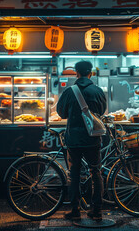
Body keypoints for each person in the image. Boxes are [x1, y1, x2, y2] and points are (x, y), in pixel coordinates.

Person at [57, 61, 107, 221]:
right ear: (90, 73)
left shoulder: (69, 92)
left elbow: (61, 113)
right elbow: (101, 111)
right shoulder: (97, 91)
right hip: (93, 139)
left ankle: (75, 210)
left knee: (74, 175)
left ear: (76, 73)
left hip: (74, 140)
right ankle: (97, 210)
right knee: (96, 173)